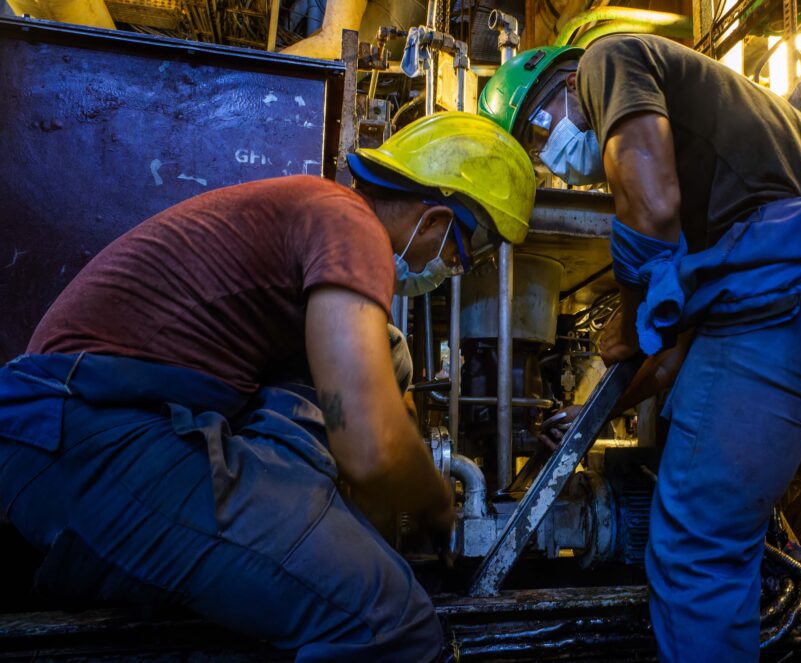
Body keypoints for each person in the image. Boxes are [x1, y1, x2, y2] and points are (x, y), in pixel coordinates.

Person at [0, 111, 535, 662]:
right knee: (393, 625)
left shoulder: (318, 213)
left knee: (389, 349)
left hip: (102, 424)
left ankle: (300, 533)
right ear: (435, 221)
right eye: (457, 255)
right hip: (84, 434)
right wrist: (437, 502)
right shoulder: (353, 227)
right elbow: (369, 447)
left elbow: (354, 401)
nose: (446, 268)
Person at [481, 35, 801, 661]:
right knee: (701, 475)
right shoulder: (718, 192)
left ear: (563, 89)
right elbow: (671, 355)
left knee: (696, 547)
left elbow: (651, 207)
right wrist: (589, 419)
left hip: (797, 289)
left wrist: (633, 309)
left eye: (537, 134)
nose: (548, 156)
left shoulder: (604, 61)